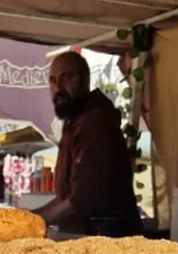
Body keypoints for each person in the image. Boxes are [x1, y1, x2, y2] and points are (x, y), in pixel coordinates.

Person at [33, 51, 143, 237]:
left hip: (105, 243)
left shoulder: (95, 121)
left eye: (66, 77)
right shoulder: (76, 121)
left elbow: (82, 201)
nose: (58, 87)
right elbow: (65, 198)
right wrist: (28, 218)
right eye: (52, 81)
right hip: (87, 239)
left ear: (85, 80)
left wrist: (32, 222)